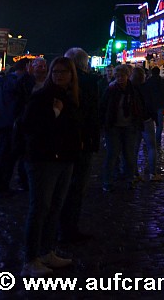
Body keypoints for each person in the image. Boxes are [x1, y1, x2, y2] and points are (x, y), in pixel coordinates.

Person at [18, 56, 81, 277]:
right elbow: (28, 126)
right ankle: (30, 259)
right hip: (43, 159)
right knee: (40, 208)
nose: (59, 75)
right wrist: (53, 114)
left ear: (72, 75)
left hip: (64, 158)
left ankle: (46, 251)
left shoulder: (70, 96)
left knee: (55, 207)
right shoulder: (42, 96)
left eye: (64, 72)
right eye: (56, 72)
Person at [59, 47, 100, 244]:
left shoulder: (61, 83)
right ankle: (69, 228)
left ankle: (59, 227)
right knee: (76, 187)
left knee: (64, 185)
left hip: (63, 140)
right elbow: (93, 114)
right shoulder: (90, 83)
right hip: (82, 140)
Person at [0, 59, 31, 197]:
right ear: (26, 67)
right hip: (9, 123)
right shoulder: (15, 81)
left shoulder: (6, 81)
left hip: (4, 121)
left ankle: (0, 186)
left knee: (4, 155)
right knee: (3, 156)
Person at [98, 64, 144, 191]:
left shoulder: (133, 90)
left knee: (129, 154)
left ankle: (129, 179)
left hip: (129, 126)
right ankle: (108, 181)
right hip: (113, 126)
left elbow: (138, 106)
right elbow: (103, 106)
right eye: (117, 76)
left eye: (122, 76)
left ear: (127, 76)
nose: (120, 79)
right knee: (112, 154)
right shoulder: (111, 89)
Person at [140, 66, 164, 176]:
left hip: (151, 105)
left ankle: (151, 139)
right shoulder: (163, 81)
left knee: (151, 123)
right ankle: (157, 139)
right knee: (159, 123)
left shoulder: (148, 82)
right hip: (160, 104)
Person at [130, 67, 157, 181]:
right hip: (146, 120)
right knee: (151, 147)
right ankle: (152, 173)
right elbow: (151, 104)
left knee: (134, 148)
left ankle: (134, 173)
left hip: (135, 121)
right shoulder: (147, 88)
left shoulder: (130, 88)